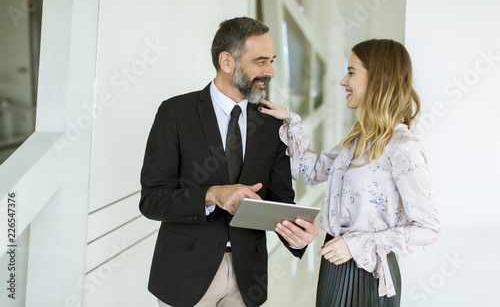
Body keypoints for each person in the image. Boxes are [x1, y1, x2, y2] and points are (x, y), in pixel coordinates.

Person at [139, 16, 318, 307]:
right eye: (260, 62)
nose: (270, 72)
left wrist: (296, 235)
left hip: (248, 279)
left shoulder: (271, 123)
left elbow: (280, 199)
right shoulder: (176, 113)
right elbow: (152, 199)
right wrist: (211, 195)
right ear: (227, 61)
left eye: (271, 61)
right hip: (184, 276)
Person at [259, 39, 440, 307]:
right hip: (334, 266)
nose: (343, 81)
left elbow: (427, 228)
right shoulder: (355, 141)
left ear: (377, 78)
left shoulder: (403, 147)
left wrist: (355, 244)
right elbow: (311, 171)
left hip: (368, 273)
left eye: (352, 72)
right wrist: (290, 121)